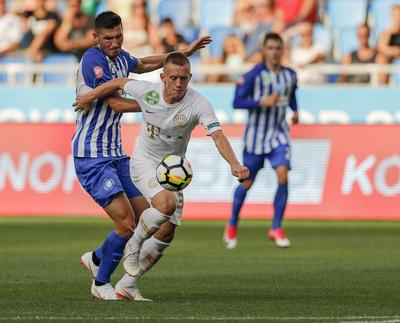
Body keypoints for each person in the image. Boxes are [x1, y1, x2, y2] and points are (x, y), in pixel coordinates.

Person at [74, 51, 250, 297]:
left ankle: (128, 284)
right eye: (174, 78)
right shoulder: (149, 91)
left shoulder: (198, 103)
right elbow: (118, 83)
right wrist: (89, 96)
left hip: (173, 168)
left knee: (166, 232)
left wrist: (234, 163)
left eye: (184, 78)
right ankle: (133, 245)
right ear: (163, 77)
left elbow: (217, 134)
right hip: (144, 162)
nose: (179, 83)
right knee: (164, 204)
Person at [73, 11, 211, 300]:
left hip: (116, 153)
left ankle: (98, 258)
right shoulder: (93, 60)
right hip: (91, 155)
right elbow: (116, 104)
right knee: (124, 224)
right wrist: (162, 105)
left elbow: (145, 63)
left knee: (144, 221)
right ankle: (100, 284)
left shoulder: (121, 57)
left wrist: (180, 53)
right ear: (95, 37)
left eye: (119, 36)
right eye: (108, 38)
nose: (114, 43)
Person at [223, 32, 299, 249]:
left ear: (282, 50)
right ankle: (232, 223)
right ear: (264, 50)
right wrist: (261, 101)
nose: (274, 52)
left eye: (278, 48)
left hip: (279, 134)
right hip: (256, 138)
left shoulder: (290, 75)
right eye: (271, 48)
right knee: (247, 182)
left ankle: (276, 227)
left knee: (283, 175)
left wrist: (295, 111)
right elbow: (237, 102)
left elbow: (292, 95)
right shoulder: (252, 75)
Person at [376, 4, 400, 84]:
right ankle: (383, 89)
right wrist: (389, 32)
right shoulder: (386, 32)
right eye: (396, 15)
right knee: (381, 59)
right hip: (391, 58)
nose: (398, 18)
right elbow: (381, 48)